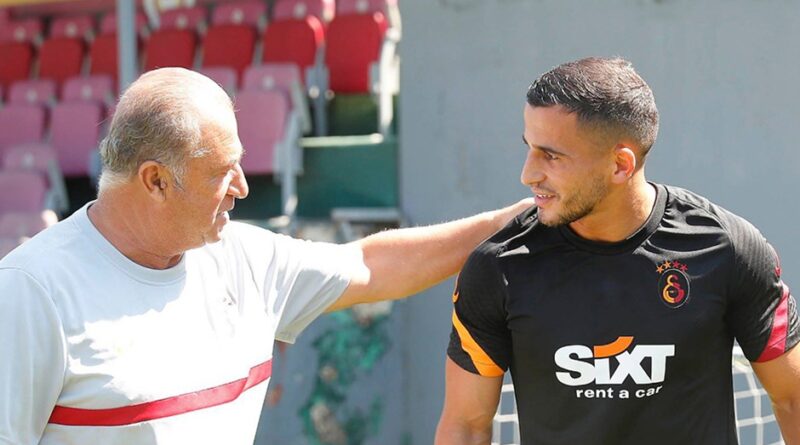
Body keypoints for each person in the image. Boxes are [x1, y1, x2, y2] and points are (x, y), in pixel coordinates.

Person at [0, 68, 531, 445]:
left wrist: (510, 221)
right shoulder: (30, 292)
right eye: (221, 172)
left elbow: (373, 267)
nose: (242, 187)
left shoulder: (243, 257)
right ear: (156, 181)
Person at [435, 57, 800, 445]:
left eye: (551, 155)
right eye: (529, 148)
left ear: (620, 165)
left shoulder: (728, 249)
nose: (528, 174)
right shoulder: (498, 266)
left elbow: (793, 398)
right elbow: (466, 426)